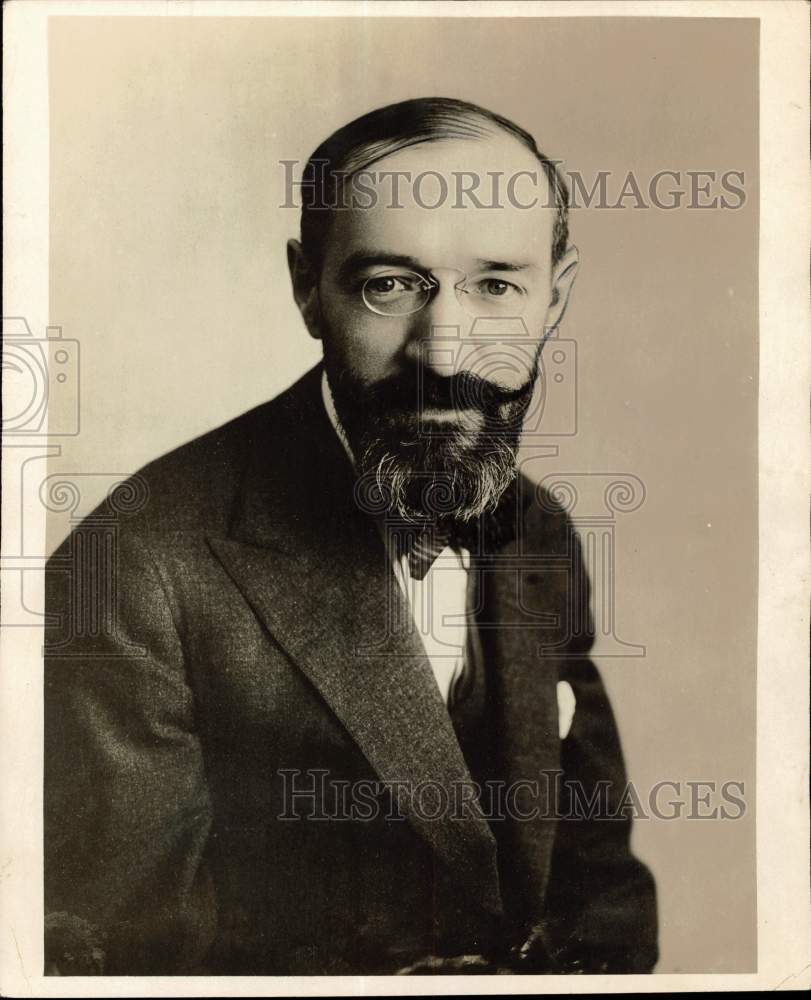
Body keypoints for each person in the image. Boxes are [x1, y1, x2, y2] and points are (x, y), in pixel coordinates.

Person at [44, 97, 658, 975]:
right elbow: (130, 969)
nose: (445, 352)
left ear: (553, 297)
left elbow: (600, 890)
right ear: (307, 288)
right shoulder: (133, 574)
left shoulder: (540, 530)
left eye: (495, 285)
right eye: (390, 286)